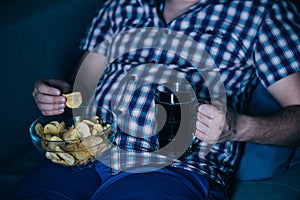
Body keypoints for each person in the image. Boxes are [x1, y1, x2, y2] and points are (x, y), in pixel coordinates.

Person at [12, 0, 300, 199]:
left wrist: (239, 127)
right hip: (83, 153)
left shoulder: (260, 12)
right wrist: (59, 95)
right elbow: (82, 89)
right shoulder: (120, 6)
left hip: (174, 167)